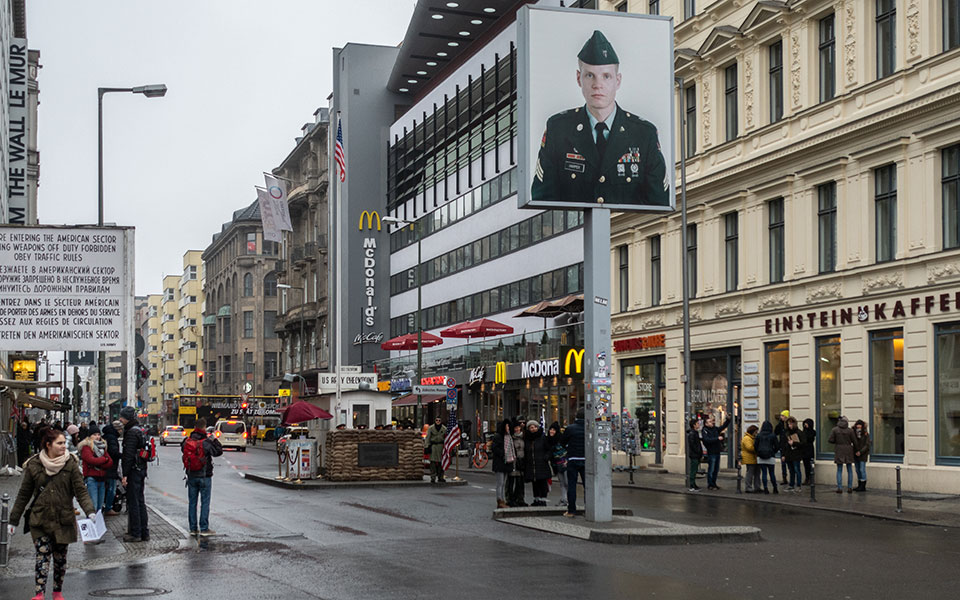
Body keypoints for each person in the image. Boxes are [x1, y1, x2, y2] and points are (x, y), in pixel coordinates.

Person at [530, 30, 669, 207]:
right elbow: (543, 200)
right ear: (578, 78)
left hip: (628, 233)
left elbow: (658, 202)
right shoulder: (559, 129)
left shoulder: (643, 134)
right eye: (590, 75)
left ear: (618, 81)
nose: (598, 85)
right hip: (576, 233)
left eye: (606, 76)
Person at [9, 427, 97, 600]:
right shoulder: (34, 464)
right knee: (42, 556)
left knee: (60, 559)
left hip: (63, 518)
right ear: (48, 445)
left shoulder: (70, 463)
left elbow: (81, 490)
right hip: (40, 519)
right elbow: (23, 494)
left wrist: (90, 511)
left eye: (65, 443)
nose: (64, 446)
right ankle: (39, 593)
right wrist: (13, 520)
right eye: (60, 443)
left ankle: (57, 592)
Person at [181, 417, 223, 536]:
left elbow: (182, 451)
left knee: (192, 502)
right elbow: (218, 452)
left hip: (191, 475)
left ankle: (193, 528)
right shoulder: (206, 442)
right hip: (205, 476)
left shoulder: (187, 440)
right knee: (205, 502)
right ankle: (204, 528)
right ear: (204, 427)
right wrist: (214, 439)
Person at [119, 406, 149, 541]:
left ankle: (136, 533)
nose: (120, 419)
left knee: (133, 502)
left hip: (134, 471)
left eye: (122, 417)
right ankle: (144, 532)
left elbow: (129, 455)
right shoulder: (140, 430)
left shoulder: (131, 432)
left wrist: (125, 474)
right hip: (141, 469)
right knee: (140, 501)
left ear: (126, 418)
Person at [78, 424, 113, 518]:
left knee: (99, 506)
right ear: (90, 436)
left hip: (102, 479)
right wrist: (104, 460)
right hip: (91, 478)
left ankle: (97, 527)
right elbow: (91, 460)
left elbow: (110, 462)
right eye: (95, 434)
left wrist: (101, 461)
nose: (97, 437)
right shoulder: (86, 447)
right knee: (93, 506)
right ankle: (91, 527)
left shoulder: (103, 446)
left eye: (98, 434)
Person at [561, 409, 586, 517]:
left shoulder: (570, 428)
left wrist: (569, 448)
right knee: (588, 486)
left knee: (572, 485)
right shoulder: (589, 428)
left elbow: (562, 442)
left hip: (572, 459)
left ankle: (571, 510)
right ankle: (589, 509)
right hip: (586, 460)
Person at [523, 420, 552, 507]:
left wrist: (546, 457)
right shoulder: (527, 439)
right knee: (534, 483)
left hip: (542, 464)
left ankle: (543, 500)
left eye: (535, 427)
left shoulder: (542, 437)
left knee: (542, 482)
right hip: (531, 464)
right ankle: (536, 499)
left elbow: (549, 449)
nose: (533, 429)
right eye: (531, 427)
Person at [700, 413, 731, 490]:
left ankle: (714, 483)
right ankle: (710, 484)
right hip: (711, 452)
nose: (712, 423)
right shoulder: (705, 430)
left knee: (716, 470)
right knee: (711, 469)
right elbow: (706, 440)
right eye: (710, 421)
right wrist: (717, 439)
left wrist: (728, 420)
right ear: (706, 423)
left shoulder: (715, 429)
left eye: (712, 421)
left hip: (717, 451)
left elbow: (723, 427)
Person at [828, 416, 857, 493]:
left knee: (839, 469)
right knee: (849, 469)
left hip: (839, 449)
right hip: (848, 450)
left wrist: (837, 442)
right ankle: (850, 487)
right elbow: (854, 441)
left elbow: (830, 440)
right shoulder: (850, 431)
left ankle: (839, 487)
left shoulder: (835, 430)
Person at [491, 420, 515, 509]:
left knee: (503, 483)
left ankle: (502, 500)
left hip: (506, 462)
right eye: (507, 426)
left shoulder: (509, 437)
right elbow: (494, 448)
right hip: (500, 463)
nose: (508, 428)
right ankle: (500, 500)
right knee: (500, 483)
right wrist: (502, 453)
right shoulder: (498, 436)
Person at [101, 420, 123, 515]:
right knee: (111, 488)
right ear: (117, 429)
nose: (121, 431)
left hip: (104, 466)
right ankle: (108, 508)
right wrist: (123, 455)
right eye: (121, 429)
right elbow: (113, 452)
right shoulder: (112, 438)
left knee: (105, 487)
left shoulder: (106, 436)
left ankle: (103, 506)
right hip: (110, 467)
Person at [755, 421, 779, 494]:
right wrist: (773, 451)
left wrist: (758, 452)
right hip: (770, 455)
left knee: (764, 473)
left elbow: (755, 446)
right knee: (772, 473)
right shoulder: (773, 435)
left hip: (761, 456)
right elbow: (777, 446)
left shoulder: (759, 435)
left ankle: (765, 488)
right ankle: (775, 488)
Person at [546, 422, 568, 505]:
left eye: (553, 430)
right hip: (556, 464)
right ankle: (564, 499)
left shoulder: (562, 439)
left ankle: (568, 499)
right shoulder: (548, 440)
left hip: (564, 463)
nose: (551, 431)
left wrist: (567, 460)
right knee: (562, 483)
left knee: (567, 482)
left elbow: (568, 449)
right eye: (550, 429)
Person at [507, 420, 527, 506]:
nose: (517, 429)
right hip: (513, 462)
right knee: (511, 482)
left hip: (521, 462)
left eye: (518, 427)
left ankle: (520, 499)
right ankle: (510, 499)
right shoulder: (510, 438)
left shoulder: (524, 437)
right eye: (515, 428)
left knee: (520, 482)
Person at [782, 416, 803, 492]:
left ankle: (798, 485)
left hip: (796, 454)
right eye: (788, 424)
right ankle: (791, 484)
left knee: (797, 469)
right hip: (788, 454)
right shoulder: (786, 433)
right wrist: (783, 455)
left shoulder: (799, 432)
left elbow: (803, 444)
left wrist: (794, 443)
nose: (789, 425)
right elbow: (784, 445)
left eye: (791, 424)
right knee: (791, 470)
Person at [425, 416, 447, 483]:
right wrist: (426, 446)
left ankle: (441, 477)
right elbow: (428, 437)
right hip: (434, 446)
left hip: (441, 446)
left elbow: (446, 438)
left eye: (439, 420)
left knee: (441, 463)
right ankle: (433, 477)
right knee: (433, 463)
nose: (438, 422)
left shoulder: (444, 428)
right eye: (436, 420)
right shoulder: (431, 428)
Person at [741, 425, 760, 493]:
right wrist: (757, 448)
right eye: (756, 432)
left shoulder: (752, 438)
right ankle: (748, 487)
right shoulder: (747, 438)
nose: (756, 433)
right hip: (749, 458)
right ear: (752, 431)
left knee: (757, 473)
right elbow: (750, 448)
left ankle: (757, 487)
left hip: (754, 458)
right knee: (750, 473)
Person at [853, 419, 871, 492]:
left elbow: (867, 445)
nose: (858, 429)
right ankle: (859, 484)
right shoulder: (853, 433)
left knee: (862, 469)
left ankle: (863, 486)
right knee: (857, 470)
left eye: (860, 427)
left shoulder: (866, 434)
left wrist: (860, 452)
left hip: (863, 455)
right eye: (857, 427)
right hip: (855, 454)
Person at [686, 418, 702, 492]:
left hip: (695, 454)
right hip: (694, 455)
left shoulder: (695, 433)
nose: (699, 424)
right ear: (694, 425)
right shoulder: (692, 434)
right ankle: (692, 485)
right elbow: (693, 445)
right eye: (697, 423)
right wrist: (698, 452)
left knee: (694, 470)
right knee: (693, 470)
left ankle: (694, 485)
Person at [774, 410, 790, 485]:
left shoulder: (789, 425)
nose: (781, 417)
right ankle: (784, 478)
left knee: (789, 463)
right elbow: (776, 432)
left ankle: (791, 478)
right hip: (782, 445)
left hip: (789, 446)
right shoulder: (780, 425)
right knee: (783, 463)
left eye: (782, 416)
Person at [800, 418, 817, 484]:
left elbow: (810, 438)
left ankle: (811, 478)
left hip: (809, 449)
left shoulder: (812, 432)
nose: (805, 425)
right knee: (805, 464)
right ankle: (807, 478)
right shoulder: (803, 431)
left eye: (806, 424)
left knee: (810, 464)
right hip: (804, 450)